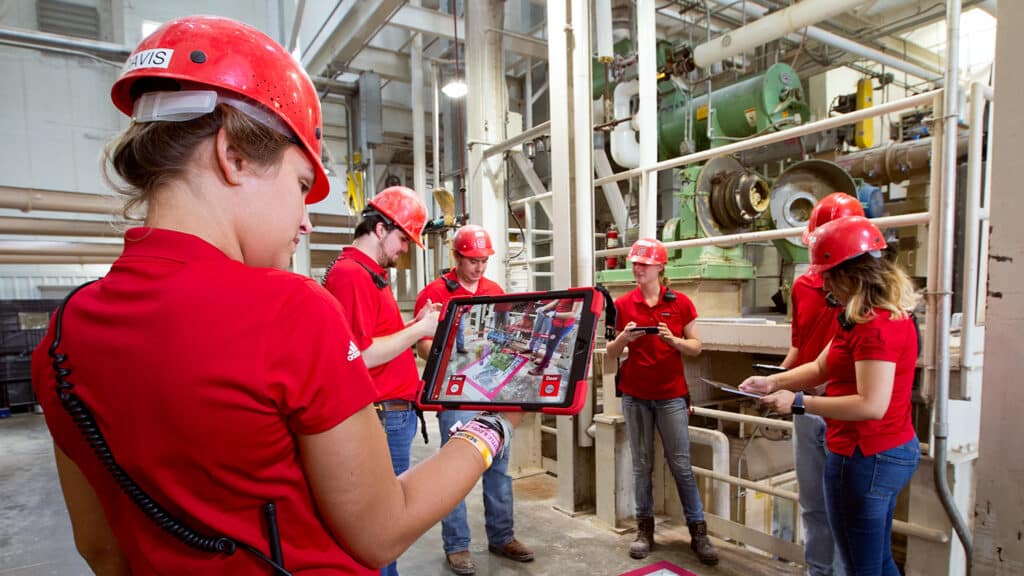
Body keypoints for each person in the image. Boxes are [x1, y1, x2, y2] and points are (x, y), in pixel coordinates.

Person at [31, 16, 515, 575]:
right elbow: (382, 531)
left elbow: (101, 549)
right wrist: (489, 427)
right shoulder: (291, 309)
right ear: (233, 154)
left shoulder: (64, 333)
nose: (306, 222)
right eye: (301, 186)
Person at [741, 216, 920, 575]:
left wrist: (799, 403)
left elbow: (871, 405)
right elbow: (821, 368)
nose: (823, 285)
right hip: (879, 452)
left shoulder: (875, 326)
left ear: (849, 275)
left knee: (859, 567)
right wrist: (775, 383)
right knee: (877, 561)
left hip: (866, 455)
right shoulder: (857, 316)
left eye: (827, 276)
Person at [322, 185, 439, 576]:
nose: (405, 249)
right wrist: (419, 328)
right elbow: (361, 355)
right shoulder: (352, 275)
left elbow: (373, 339)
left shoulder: (368, 275)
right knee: (385, 523)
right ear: (379, 229)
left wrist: (410, 327)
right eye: (403, 239)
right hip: (384, 414)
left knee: (386, 520)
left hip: (393, 412)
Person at [414, 225, 533, 575]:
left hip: (492, 391)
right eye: (472, 261)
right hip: (456, 393)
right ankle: (458, 546)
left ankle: (502, 536)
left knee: (498, 466)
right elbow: (423, 347)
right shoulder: (435, 294)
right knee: (456, 472)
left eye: (483, 261)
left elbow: (508, 338)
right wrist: (453, 352)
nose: (479, 268)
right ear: (456, 257)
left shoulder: (494, 291)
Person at [604, 238, 719, 566]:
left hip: (670, 396)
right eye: (635, 263)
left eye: (643, 264)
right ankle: (644, 531)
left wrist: (674, 340)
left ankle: (699, 533)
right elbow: (611, 352)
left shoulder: (681, 303)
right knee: (641, 466)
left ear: (659, 267)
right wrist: (624, 338)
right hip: (635, 395)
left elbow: (697, 347)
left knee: (681, 465)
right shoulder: (624, 304)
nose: (637, 268)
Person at [781, 193, 864, 576]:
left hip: (849, 413)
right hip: (808, 405)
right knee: (814, 505)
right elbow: (803, 352)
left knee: (849, 513)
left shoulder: (869, 300)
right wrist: (769, 384)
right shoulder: (802, 287)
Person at [527, 299, 582, 376]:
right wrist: (543, 308)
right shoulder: (566, 292)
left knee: (550, 347)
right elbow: (555, 302)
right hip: (555, 322)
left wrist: (555, 314)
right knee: (549, 345)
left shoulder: (578, 295)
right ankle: (546, 362)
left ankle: (540, 369)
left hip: (562, 326)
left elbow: (574, 314)